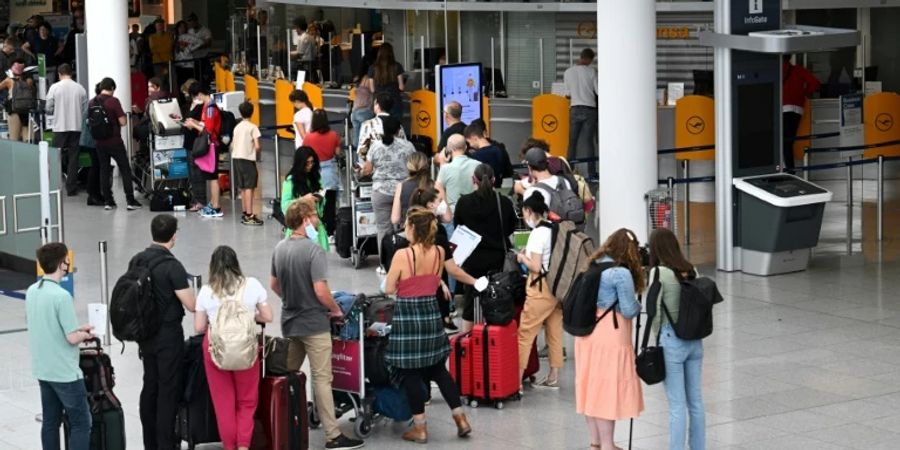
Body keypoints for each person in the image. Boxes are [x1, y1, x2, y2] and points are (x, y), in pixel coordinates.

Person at [270, 198, 365, 450]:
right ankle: (333, 435)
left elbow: (274, 284)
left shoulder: (280, 248)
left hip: (290, 321)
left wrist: (291, 299)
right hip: (314, 323)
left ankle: (284, 423)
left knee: (288, 371)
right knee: (322, 379)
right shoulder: (313, 251)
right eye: (314, 217)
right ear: (304, 220)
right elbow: (321, 290)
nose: (318, 221)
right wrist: (335, 310)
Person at [383, 208, 472, 443]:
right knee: (438, 370)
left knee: (411, 373)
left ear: (413, 228)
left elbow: (389, 288)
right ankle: (461, 419)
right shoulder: (439, 252)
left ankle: (420, 428)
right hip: (431, 315)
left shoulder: (403, 255)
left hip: (408, 317)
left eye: (407, 225)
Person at [194, 246, 273, 450]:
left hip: (216, 350)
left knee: (223, 404)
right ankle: (243, 445)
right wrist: (251, 315)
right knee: (247, 401)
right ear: (236, 263)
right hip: (245, 348)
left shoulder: (206, 291)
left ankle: (229, 446)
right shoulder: (252, 285)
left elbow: (199, 327)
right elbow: (268, 316)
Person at [132, 214, 197, 450]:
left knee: (150, 385)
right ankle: (165, 443)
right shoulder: (172, 266)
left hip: (145, 334)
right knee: (168, 390)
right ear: (173, 236)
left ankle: (149, 442)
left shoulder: (137, 260)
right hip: (168, 336)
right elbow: (191, 305)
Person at [575, 228, 644, 450]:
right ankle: (608, 445)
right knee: (606, 391)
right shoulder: (620, 273)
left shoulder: (593, 264)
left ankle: (595, 443)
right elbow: (629, 309)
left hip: (587, 333)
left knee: (591, 389)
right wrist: (639, 303)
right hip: (609, 335)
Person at [26, 242, 94, 450]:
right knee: (81, 423)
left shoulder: (32, 291)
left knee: (50, 422)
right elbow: (71, 338)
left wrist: (78, 330)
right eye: (66, 260)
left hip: (43, 369)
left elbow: (49, 325)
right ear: (61, 264)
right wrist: (85, 334)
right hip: (65, 373)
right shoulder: (62, 296)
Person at [648, 228, 704, 450]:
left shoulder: (659, 273)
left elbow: (654, 311)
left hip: (671, 339)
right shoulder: (691, 270)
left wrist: (658, 337)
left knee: (677, 406)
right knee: (696, 403)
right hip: (695, 341)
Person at [453, 164, 517, 332]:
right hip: (498, 260)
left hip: (472, 260)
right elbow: (511, 227)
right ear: (494, 180)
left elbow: (458, 227)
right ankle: (495, 337)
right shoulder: (504, 202)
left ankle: (467, 339)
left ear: (473, 180)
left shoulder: (463, 202)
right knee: (498, 299)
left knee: (470, 302)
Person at [407, 187, 478, 332]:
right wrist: (475, 282)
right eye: (440, 200)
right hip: (437, 288)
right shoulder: (438, 232)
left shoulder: (415, 231)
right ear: (430, 205)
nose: (443, 204)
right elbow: (452, 269)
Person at [516, 192, 564, 389]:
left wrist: (521, 258)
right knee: (554, 332)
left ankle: (516, 381)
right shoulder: (555, 228)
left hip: (540, 288)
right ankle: (553, 376)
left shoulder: (537, 234)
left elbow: (535, 266)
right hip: (557, 287)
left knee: (525, 333)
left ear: (529, 211)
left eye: (524, 213)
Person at [362, 116, 416, 265]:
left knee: (383, 228)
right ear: (399, 130)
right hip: (404, 191)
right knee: (406, 226)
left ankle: (384, 263)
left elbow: (367, 169)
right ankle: (406, 261)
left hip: (381, 191)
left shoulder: (375, 146)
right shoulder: (408, 146)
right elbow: (415, 167)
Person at [90, 77, 143, 210]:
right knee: (125, 169)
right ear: (112, 88)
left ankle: (108, 202)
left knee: (104, 169)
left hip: (99, 142)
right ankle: (130, 201)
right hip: (114, 142)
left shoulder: (92, 102)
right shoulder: (113, 101)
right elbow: (123, 122)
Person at [46, 63, 88, 196]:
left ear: (59, 74)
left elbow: (48, 108)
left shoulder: (54, 87)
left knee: (55, 157)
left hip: (60, 127)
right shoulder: (80, 88)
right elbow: (85, 111)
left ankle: (54, 187)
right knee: (74, 158)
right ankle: (71, 188)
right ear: (71, 73)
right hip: (77, 127)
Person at [183, 83, 223, 218]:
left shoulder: (210, 108)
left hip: (212, 144)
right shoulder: (207, 106)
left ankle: (216, 207)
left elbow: (209, 131)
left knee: (213, 177)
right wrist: (195, 122)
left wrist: (193, 125)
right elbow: (204, 124)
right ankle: (213, 203)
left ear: (200, 94)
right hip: (210, 144)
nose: (196, 99)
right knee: (210, 177)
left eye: (196, 96)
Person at [302, 108, 342, 237]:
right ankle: (329, 232)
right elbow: (337, 153)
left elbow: (305, 153)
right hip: (330, 172)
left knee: (313, 204)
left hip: (314, 173)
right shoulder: (334, 135)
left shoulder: (308, 137)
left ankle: (315, 231)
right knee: (330, 204)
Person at [280, 147, 329, 250]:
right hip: (299, 227)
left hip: (315, 225)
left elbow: (321, 207)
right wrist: (302, 200)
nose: (310, 165)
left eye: (312, 162)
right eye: (307, 163)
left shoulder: (315, 178)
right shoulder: (290, 181)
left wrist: (319, 199)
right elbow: (285, 206)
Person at [782, 54, 820, 173]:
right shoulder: (799, 70)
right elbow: (815, 83)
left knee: (783, 142)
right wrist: (804, 93)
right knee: (788, 142)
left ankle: (789, 170)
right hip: (797, 110)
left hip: (782, 109)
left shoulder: (776, 70)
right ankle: (789, 170)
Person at [563, 48, 598, 164]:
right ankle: (591, 171)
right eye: (591, 60)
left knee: (572, 142)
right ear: (588, 59)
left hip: (575, 109)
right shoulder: (592, 71)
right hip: (590, 109)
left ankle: (569, 169)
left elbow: (567, 94)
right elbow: (598, 91)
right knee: (589, 142)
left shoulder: (568, 72)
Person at [232, 101, 263, 226]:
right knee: (250, 186)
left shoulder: (237, 127)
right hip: (247, 159)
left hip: (236, 158)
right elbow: (257, 146)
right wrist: (256, 153)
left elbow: (233, 144)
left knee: (243, 187)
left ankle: (245, 212)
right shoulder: (253, 127)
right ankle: (250, 215)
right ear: (252, 112)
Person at [515, 147, 572, 213]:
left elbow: (531, 218)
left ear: (529, 167)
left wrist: (523, 191)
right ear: (547, 162)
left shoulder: (532, 191)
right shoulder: (564, 181)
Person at [435, 134, 480, 214]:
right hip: (475, 211)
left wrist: (442, 163)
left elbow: (438, 191)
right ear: (465, 147)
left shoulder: (445, 169)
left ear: (448, 149)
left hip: (454, 213)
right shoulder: (478, 165)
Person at [357, 92, 405, 162]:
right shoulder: (398, 126)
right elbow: (404, 146)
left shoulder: (368, 125)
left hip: (375, 165)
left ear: (377, 105)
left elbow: (362, 150)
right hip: (395, 164)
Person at [464, 122, 512, 188]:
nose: (470, 145)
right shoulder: (498, 150)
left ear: (474, 138)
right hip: (498, 188)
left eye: (469, 142)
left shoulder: (476, 157)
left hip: (483, 190)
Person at [366, 42, 405, 121]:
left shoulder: (372, 68)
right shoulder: (397, 66)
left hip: (379, 102)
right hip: (394, 101)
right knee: (395, 126)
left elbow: (372, 89)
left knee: (380, 125)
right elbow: (401, 87)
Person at [391, 152, 432, 226]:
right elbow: (447, 218)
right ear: (426, 166)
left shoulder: (401, 186)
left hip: (409, 229)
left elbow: (395, 219)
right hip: (431, 229)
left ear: (408, 167)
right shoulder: (435, 185)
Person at [0, 58, 35, 142]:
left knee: (14, 138)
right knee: (28, 138)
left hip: (14, 110)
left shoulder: (8, 81)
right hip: (27, 111)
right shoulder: (29, 81)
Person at [350, 66, 375, 149]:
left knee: (356, 137)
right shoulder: (370, 86)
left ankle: (355, 155)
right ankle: (365, 154)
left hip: (354, 114)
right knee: (366, 138)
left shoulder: (358, 88)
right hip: (365, 112)